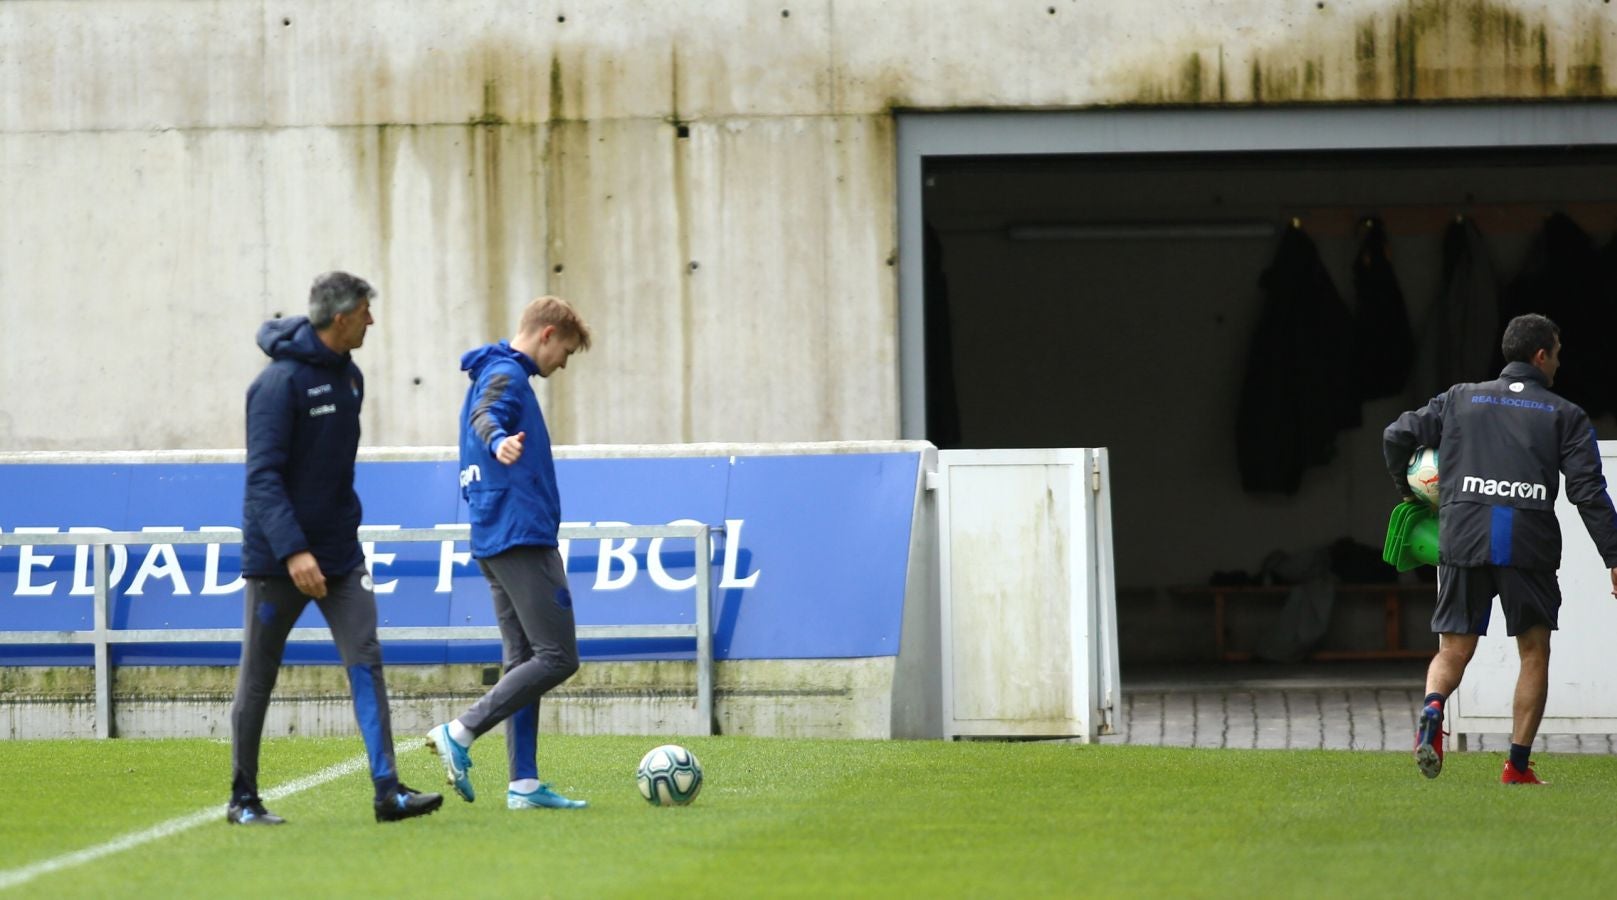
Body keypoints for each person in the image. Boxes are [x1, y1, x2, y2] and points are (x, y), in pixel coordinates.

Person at [231, 271, 443, 824]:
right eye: (367, 312)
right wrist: (294, 551)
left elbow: (336, 474)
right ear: (343, 316)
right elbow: (263, 479)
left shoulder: (351, 379)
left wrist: (341, 537)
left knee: (366, 660)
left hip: (341, 557)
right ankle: (243, 798)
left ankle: (388, 792)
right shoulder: (276, 385)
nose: (373, 321)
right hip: (280, 560)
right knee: (259, 673)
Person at [1383, 313, 1617, 785]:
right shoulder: (1564, 414)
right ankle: (1516, 766)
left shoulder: (1460, 398)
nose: (1558, 363)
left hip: (1463, 534)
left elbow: (1396, 435)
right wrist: (1614, 555)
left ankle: (1433, 709)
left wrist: (1413, 494)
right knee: (1533, 652)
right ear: (1541, 355)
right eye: (1557, 353)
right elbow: (1588, 492)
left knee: (1453, 649)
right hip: (1526, 543)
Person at [427, 296, 593, 811]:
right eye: (564, 350)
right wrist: (498, 439)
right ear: (547, 334)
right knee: (558, 656)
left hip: (495, 534)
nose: (563, 363)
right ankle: (460, 730)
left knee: (522, 660)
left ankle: (523, 784)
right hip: (521, 535)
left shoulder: (495, 370)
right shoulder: (506, 375)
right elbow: (486, 412)